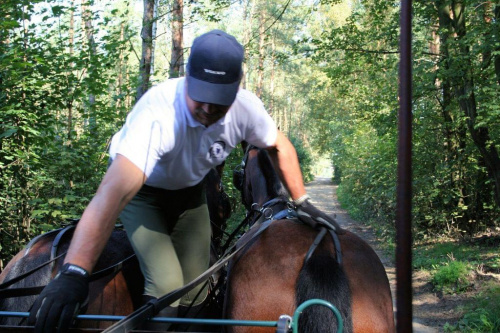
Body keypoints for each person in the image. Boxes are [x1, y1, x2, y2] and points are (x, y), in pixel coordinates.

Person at [28, 29, 336, 332]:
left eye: (218, 103)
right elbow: (112, 196)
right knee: (166, 284)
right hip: (142, 196)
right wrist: (74, 272)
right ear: (187, 78)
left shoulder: (246, 109)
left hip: (189, 195)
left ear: (235, 89)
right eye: (200, 98)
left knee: (197, 288)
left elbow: (278, 146)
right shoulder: (158, 116)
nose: (206, 109)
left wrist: (301, 201)